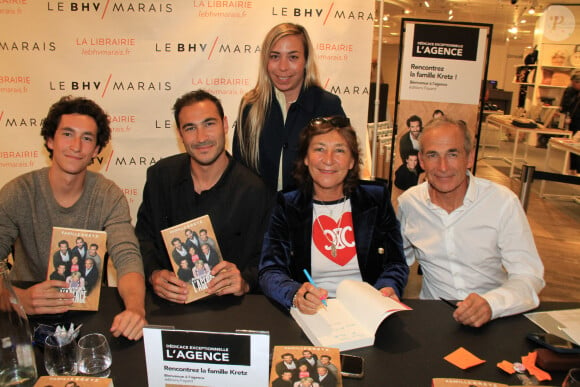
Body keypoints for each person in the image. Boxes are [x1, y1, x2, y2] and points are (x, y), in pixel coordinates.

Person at [0, 96, 147, 340]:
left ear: (97, 150)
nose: (76, 146)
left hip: (86, 314)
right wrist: (17, 298)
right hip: (24, 312)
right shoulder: (18, 192)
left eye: (87, 138)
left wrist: (135, 309)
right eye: (67, 134)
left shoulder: (108, 195)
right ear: (50, 140)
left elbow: (127, 257)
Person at [397, 117, 545, 328]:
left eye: (453, 154)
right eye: (432, 155)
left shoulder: (502, 202)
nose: (443, 167)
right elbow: (396, 261)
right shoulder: (410, 204)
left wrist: (492, 303)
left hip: (495, 319)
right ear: (421, 160)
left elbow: (529, 275)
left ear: (469, 157)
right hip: (435, 320)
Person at [259, 116, 408, 314]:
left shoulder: (376, 198)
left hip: (368, 310)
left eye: (339, 150)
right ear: (305, 158)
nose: (328, 160)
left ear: (352, 161)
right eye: (319, 149)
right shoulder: (287, 204)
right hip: (312, 313)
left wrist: (388, 287)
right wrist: (295, 294)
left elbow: (395, 262)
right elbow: (269, 271)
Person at [135, 89, 272, 303]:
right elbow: (143, 238)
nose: (201, 138)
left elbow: (267, 261)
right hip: (168, 304)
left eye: (209, 124)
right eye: (190, 128)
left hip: (230, 309)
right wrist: (153, 273)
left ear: (225, 125)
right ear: (180, 134)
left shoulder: (254, 191)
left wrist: (245, 281)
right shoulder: (160, 176)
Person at [234, 22, 345, 192]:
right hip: (261, 215)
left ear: (306, 61)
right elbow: (240, 171)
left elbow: (341, 165)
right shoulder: (250, 106)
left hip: (309, 214)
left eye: (293, 57)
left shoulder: (327, 105)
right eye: (275, 56)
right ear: (265, 61)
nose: (283, 67)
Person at [560, 72, 580, 173]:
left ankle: (577, 169)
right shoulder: (570, 91)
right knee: (573, 144)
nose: (572, 84)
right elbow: (565, 104)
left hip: (576, 119)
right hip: (574, 120)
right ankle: (573, 168)